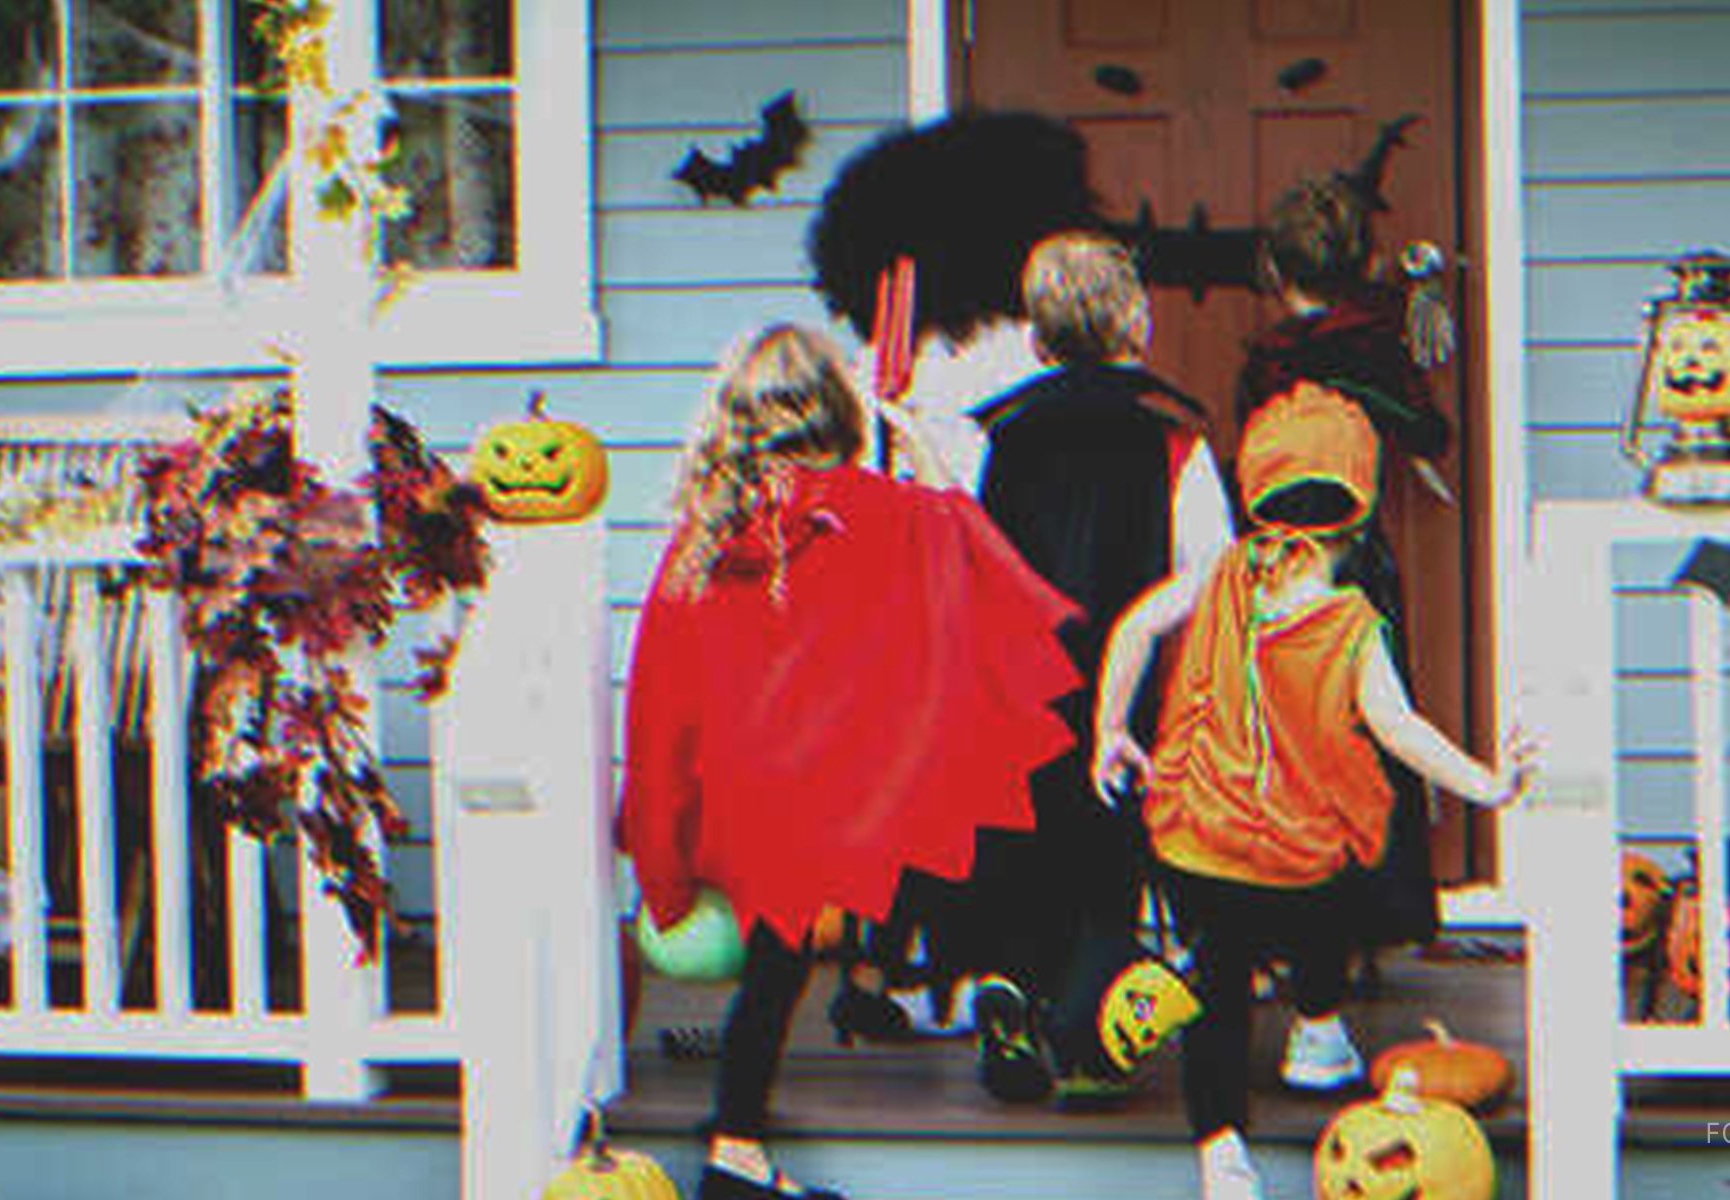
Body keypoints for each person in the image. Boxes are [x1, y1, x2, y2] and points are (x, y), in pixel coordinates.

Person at [617, 325, 1079, 1200]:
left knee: (775, 964)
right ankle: (736, 1152)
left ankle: (739, 1146)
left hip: (743, 798)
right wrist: (922, 446)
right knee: (806, 942)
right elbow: (971, 548)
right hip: (835, 790)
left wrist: (660, 845)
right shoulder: (881, 508)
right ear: (836, 415)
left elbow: (659, 697)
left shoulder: (705, 536)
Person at [1091, 383, 1531, 1200]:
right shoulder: (1351, 624)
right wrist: (1488, 784)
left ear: (1255, 490)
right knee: (1348, 866)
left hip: (1202, 834)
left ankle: (1221, 1152)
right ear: (1358, 514)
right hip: (1294, 847)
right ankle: (1317, 1027)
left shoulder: (1221, 573)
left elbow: (1136, 629)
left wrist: (1112, 730)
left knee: (1218, 988)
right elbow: (1400, 732)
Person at [940, 230, 1234, 1103]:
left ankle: (1007, 982)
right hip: (1128, 683)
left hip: (1014, 680)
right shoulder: (1174, 443)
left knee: (1020, 844)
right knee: (1110, 854)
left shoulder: (992, 436)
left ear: (1035, 336)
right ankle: (1084, 1015)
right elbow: (1208, 572)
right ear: (1135, 322)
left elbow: (962, 554)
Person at [1238, 173, 1458, 1064]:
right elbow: (1429, 431)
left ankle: (1283, 931)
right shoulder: (1371, 343)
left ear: (1271, 268)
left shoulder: (1269, 356)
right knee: (1368, 732)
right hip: (1355, 559)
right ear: (1364, 262)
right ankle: (1367, 916)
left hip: (1276, 564)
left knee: (1291, 740)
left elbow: (1253, 449)